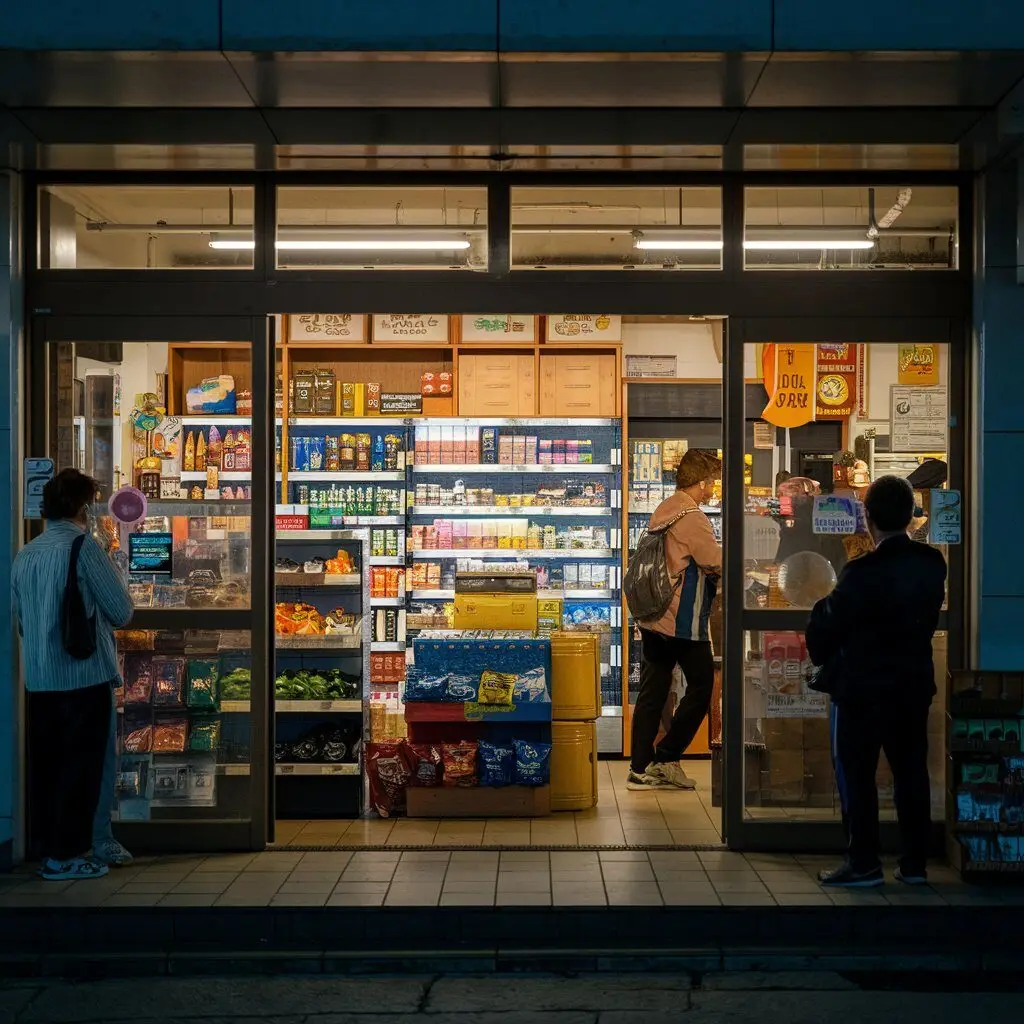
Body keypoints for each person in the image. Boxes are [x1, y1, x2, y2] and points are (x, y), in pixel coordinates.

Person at [806, 475, 946, 888]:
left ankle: (864, 862)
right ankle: (915, 863)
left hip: (863, 690)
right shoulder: (931, 563)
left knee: (857, 774)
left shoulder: (861, 571)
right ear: (911, 516)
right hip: (913, 684)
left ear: (868, 518)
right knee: (911, 773)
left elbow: (829, 622)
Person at [12, 469, 134, 880]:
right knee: (86, 768)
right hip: (84, 677)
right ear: (84, 508)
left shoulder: (25, 553)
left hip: (41, 679)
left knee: (52, 767)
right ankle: (69, 856)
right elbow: (121, 611)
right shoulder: (83, 549)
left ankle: (52, 852)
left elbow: (21, 622)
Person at [628, 450, 723, 791]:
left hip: (653, 616)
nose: (714, 488)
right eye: (712, 481)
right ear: (701, 483)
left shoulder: (665, 508)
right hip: (680, 619)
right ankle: (667, 756)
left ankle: (639, 768)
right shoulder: (693, 516)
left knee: (652, 690)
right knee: (701, 686)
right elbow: (714, 561)